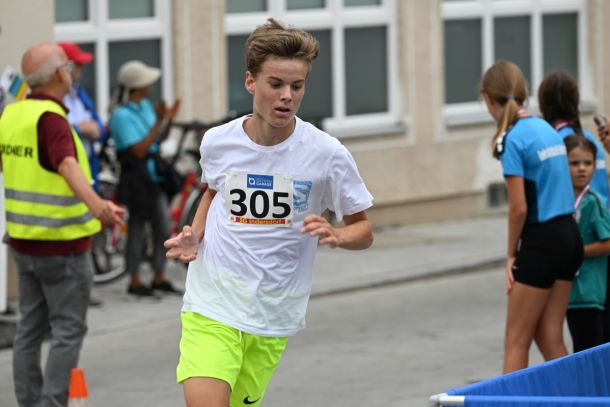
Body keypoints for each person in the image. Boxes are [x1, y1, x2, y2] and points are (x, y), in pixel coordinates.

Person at [164, 18, 374, 407]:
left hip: (271, 311)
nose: (286, 96)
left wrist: (338, 235)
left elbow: (363, 229)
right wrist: (196, 232)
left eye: (297, 86)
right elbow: (213, 190)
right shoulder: (218, 142)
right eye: (275, 84)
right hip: (212, 301)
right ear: (251, 82)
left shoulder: (327, 154)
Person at [0, 42, 124, 407]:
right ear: (59, 73)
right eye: (68, 66)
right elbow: (67, 166)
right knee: (68, 330)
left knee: (29, 329)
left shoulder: (11, 115)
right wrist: (99, 206)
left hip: (23, 243)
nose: (70, 72)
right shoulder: (52, 120)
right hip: (62, 246)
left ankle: (29, 401)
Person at [480, 61, 583, 373]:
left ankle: (511, 399)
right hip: (569, 236)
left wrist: (511, 254)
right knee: (550, 336)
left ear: (488, 100)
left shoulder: (513, 139)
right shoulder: (546, 129)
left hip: (542, 240)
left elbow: (519, 209)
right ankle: (576, 396)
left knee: (516, 340)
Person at [108, 60, 181, 297]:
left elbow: (158, 139)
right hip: (136, 179)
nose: (151, 85)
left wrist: (167, 120)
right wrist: (159, 121)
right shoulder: (120, 115)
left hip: (152, 176)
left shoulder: (146, 106)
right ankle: (135, 279)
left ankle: (158, 275)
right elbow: (139, 150)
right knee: (138, 229)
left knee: (161, 227)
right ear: (138, 85)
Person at [563, 135, 610, 352]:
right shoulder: (562, 201)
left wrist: (577, 252)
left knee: (589, 352)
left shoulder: (594, 202)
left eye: (588, 163)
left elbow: (607, 243)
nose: (581, 168)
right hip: (570, 293)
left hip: (590, 294)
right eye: (574, 163)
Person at [538, 71, 610, 205]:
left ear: (542, 105)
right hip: (603, 215)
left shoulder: (551, 145)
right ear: (577, 101)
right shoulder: (592, 140)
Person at [58, 41, 106, 192]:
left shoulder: (80, 93)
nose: (81, 69)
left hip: (88, 167)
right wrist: (79, 129)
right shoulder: (55, 98)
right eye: (78, 64)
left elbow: (99, 125)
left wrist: (97, 129)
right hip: (67, 171)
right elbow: (54, 130)